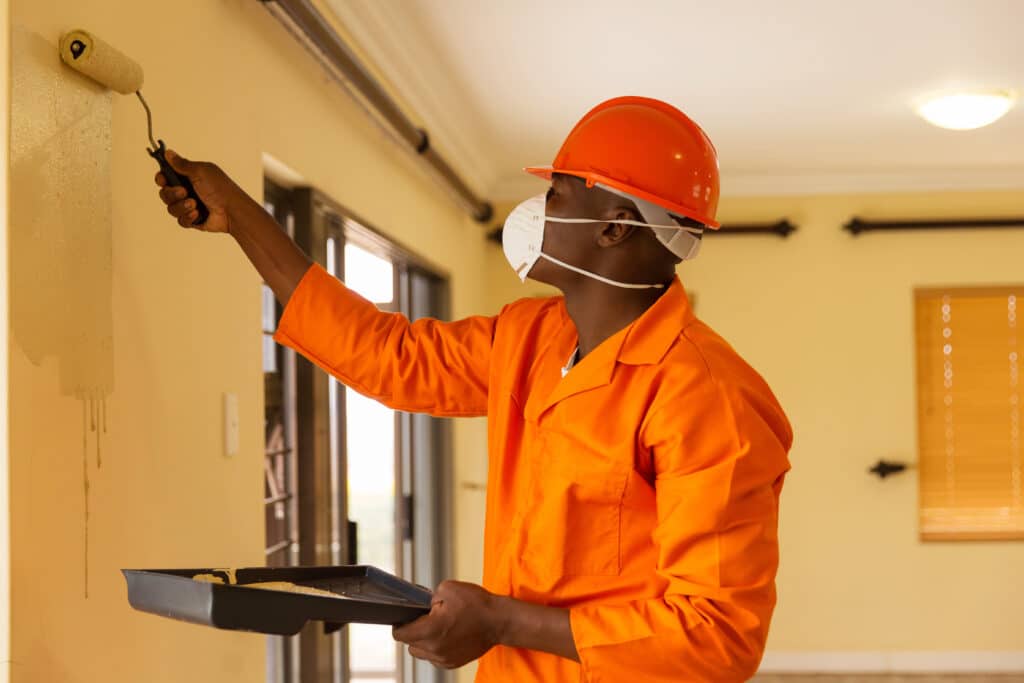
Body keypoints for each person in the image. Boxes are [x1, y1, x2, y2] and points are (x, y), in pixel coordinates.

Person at [155, 96, 792, 682]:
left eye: (559, 194)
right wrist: (239, 214)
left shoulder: (708, 397)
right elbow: (386, 356)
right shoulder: (530, 337)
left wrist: (503, 620)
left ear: (615, 226)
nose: (538, 210)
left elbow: (717, 636)